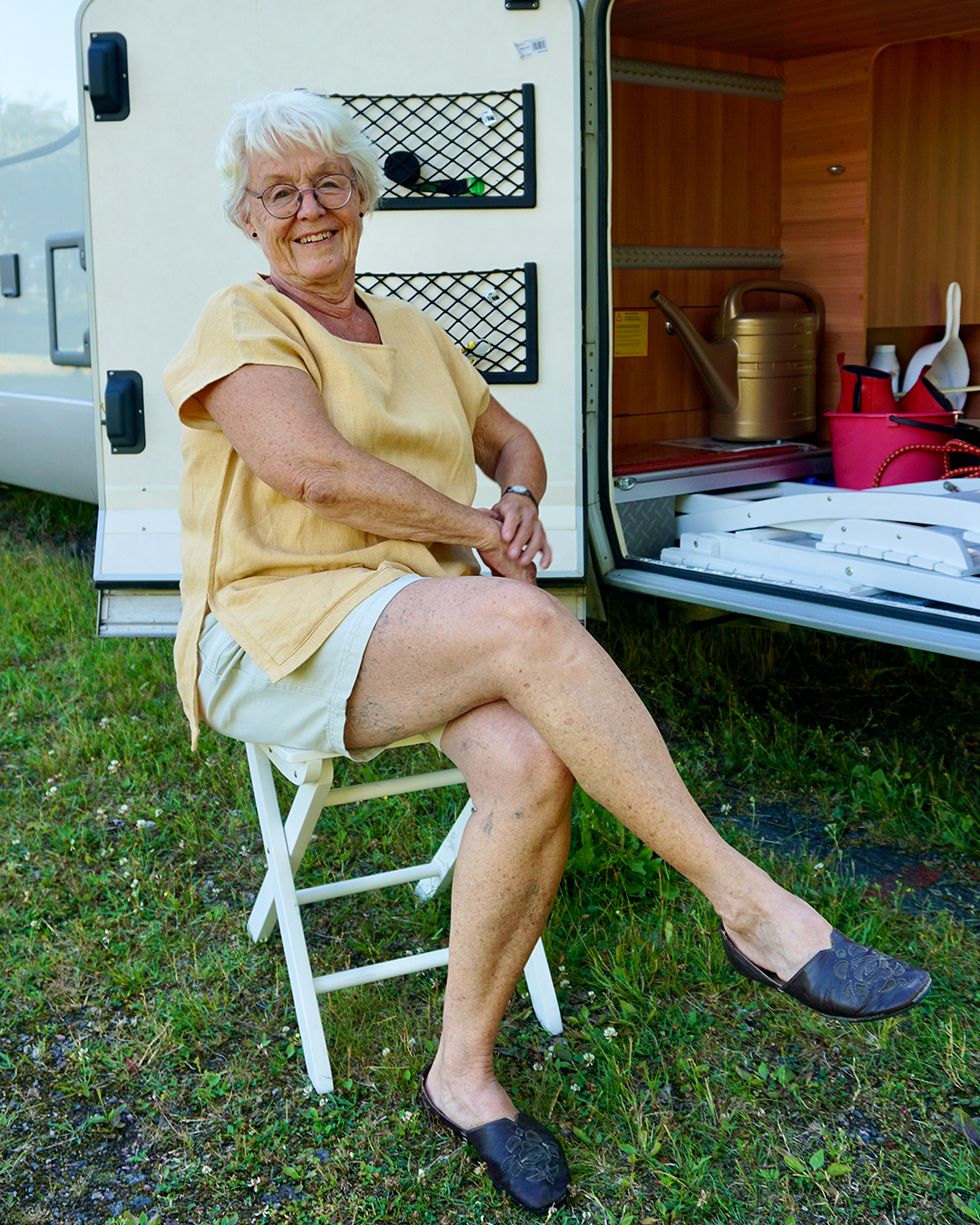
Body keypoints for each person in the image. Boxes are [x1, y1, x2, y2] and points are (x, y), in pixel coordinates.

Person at [163, 89, 931, 1214]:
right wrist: (484, 534)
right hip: (276, 627)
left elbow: (508, 436)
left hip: (410, 618)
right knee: (526, 621)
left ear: (365, 197)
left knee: (528, 763)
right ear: (246, 218)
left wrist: (516, 494)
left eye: (329, 182)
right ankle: (753, 910)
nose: (309, 208)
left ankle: (460, 1076)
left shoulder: (415, 332)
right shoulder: (243, 322)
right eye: (278, 192)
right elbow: (310, 472)